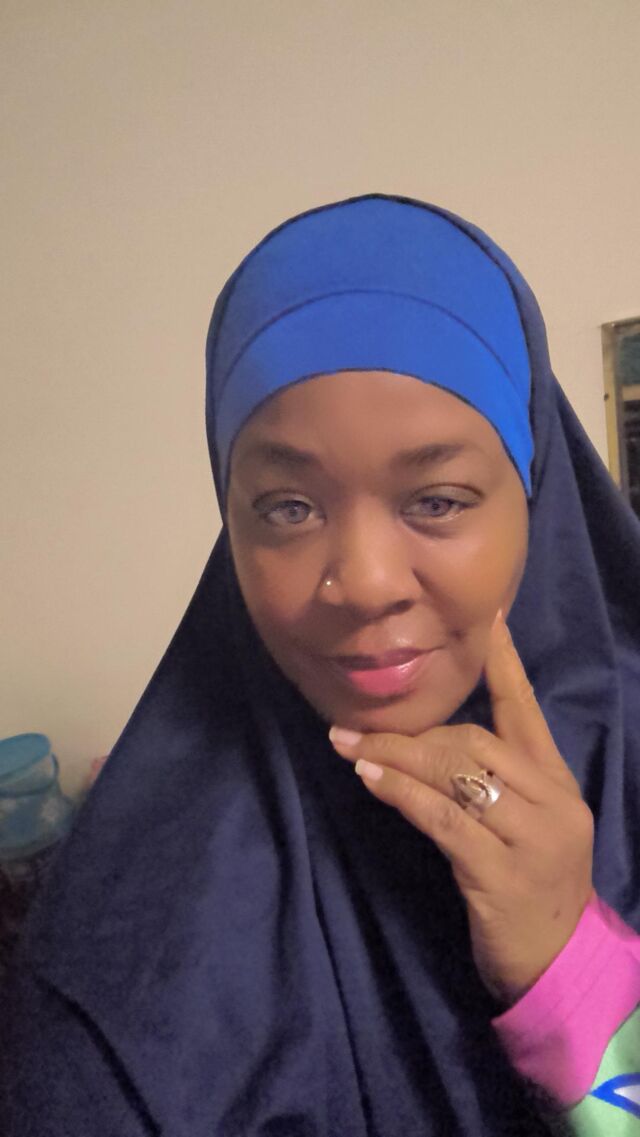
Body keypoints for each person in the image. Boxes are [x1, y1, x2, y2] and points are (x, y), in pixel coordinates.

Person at [2, 193, 640, 1136]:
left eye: (437, 498)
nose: (365, 584)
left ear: (535, 493)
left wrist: (575, 972)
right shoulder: (121, 981)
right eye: (289, 508)